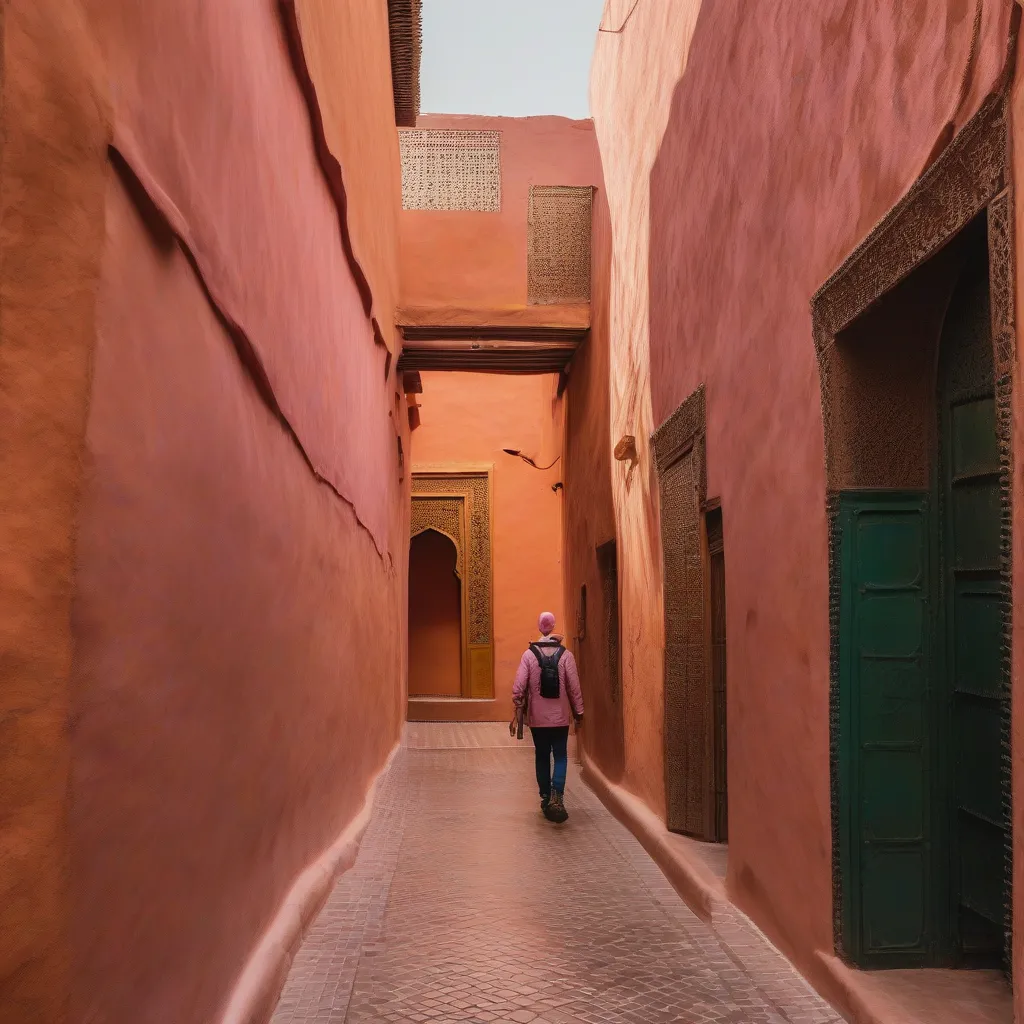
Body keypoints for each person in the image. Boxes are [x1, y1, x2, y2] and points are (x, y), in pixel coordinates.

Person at [511, 612, 584, 823]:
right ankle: (557, 796)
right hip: (560, 718)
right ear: (553, 628)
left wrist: (518, 705)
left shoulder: (529, 655)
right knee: (560, 755)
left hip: (538, 719)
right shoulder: (566, 655)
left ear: (539, 627)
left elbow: (518, 687)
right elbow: (574, 687)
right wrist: (578, 712)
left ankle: (544, 797)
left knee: (542, 755)